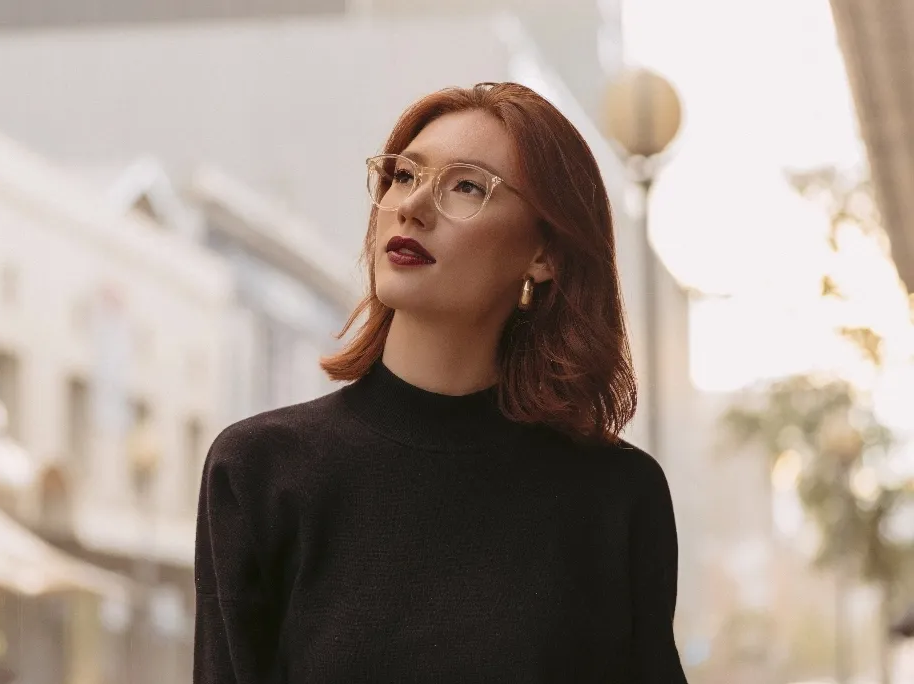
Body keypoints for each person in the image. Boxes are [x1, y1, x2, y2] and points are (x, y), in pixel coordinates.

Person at [194, 82, 688, 684]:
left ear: (544, 255)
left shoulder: (616, 496)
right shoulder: (261, 470)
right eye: (404, 175)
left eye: (467, 187)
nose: (412, 206)